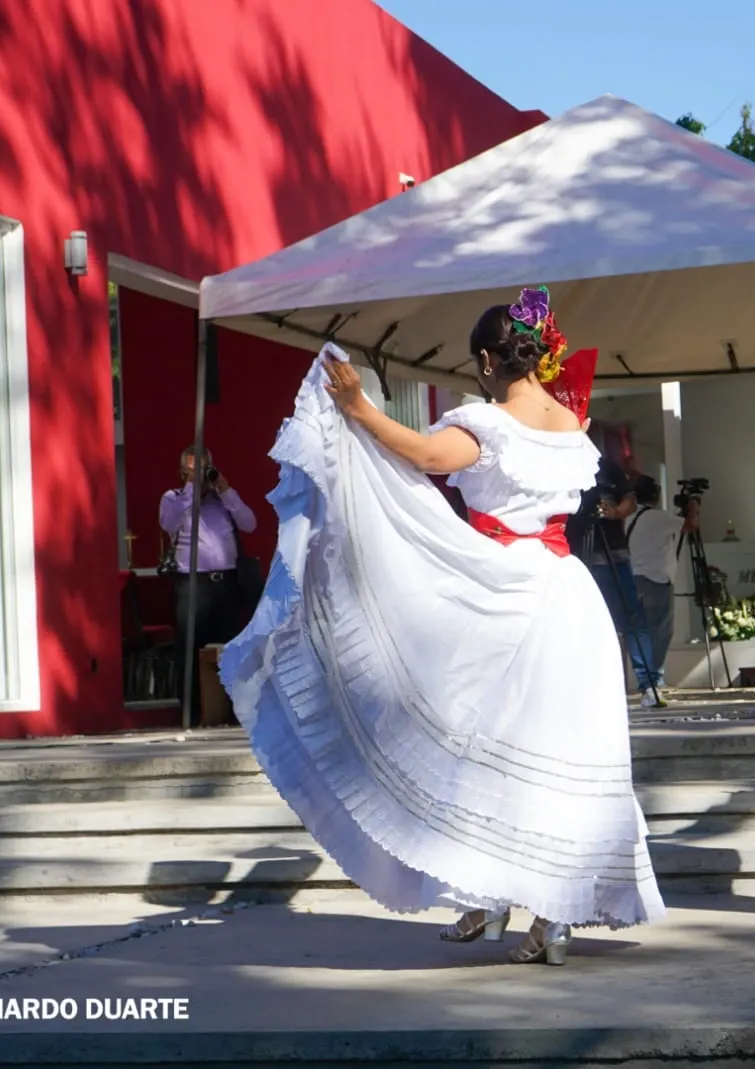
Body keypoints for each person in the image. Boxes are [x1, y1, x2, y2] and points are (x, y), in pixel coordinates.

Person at [217, 287, 665, 966]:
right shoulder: (573, 428)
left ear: (488, 360)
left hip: (506, 587)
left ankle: (522, 903)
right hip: (571, 598)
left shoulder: (489, 423)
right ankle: (525, 904)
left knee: (479, 738)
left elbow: (428, 457)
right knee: (559, 748)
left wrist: (361, 410)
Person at [158, 448, 256, 724]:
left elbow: (249, 523)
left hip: (226, 584)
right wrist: (191, 488)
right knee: (190, 648)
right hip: (193, 585)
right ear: (184, 473)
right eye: (194, 471)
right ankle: (192, 713)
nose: (201, 477)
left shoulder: (222, 501)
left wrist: (226, 491)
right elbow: (169, 522)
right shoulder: (174, 498)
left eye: (204, 469)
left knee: (231, 649)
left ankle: (234, 713)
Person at [567, 461, 659, 705]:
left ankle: (648, 685)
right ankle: (585, 686)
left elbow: (628, 499)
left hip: (613, 555)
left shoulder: (606, 465)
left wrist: (616, 511)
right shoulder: (556, 461)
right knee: (580, 621)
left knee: (632, 617)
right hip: (573, 557)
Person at [626, 475, 685, 704]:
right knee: (660, 630)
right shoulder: (657, 517)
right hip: (656, 580)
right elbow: (689, 525)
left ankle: (645, 681)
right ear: (656, 495)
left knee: (637, 631)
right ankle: (653, 679)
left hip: (631, 579)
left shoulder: (627, 518)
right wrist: (692, 507)